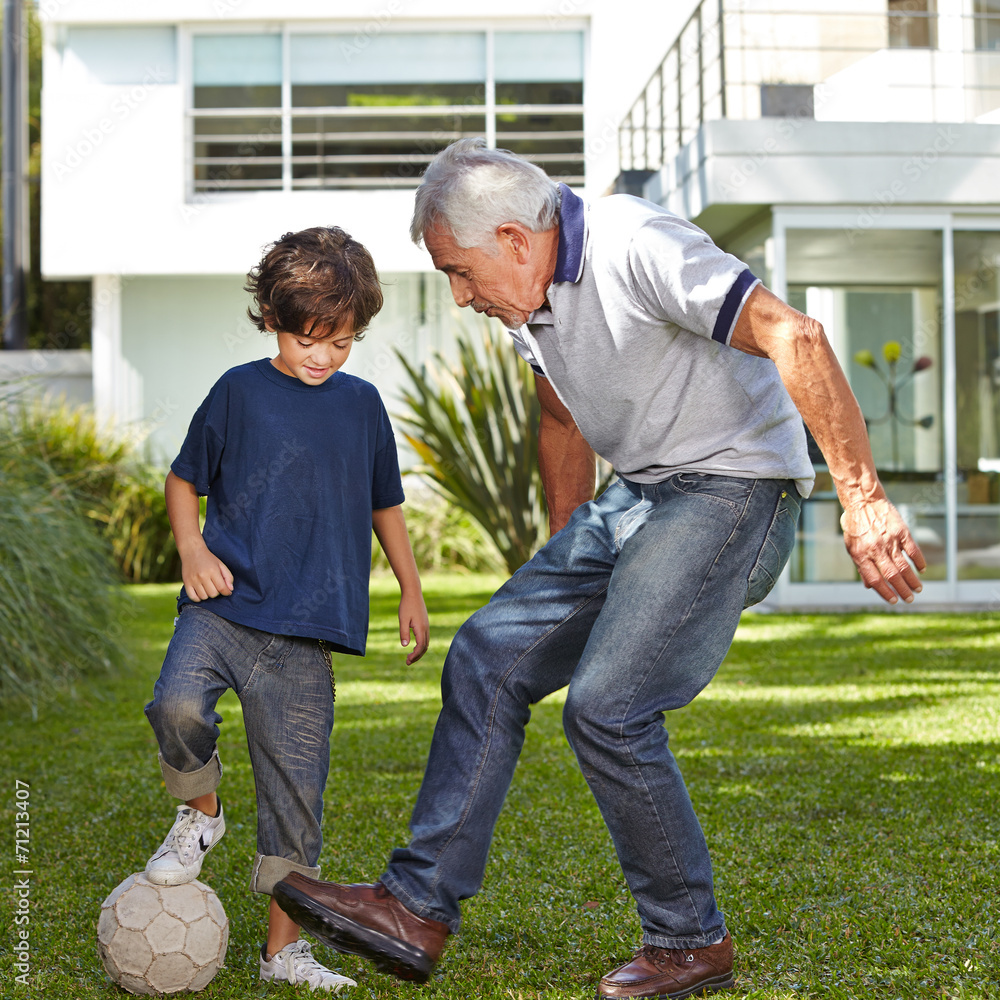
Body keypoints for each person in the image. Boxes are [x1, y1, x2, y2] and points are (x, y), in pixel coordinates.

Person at [272, 140, 925, 999]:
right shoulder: (528, 308)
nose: (461, 297)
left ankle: (690, 940)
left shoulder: (634, 243)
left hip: (736, 490)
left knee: (611, 708)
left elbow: (790, 333)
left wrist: (863, 495)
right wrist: (563, 546)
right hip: (641, 496)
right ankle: (415, 907)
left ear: (513, 237)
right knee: (485, 657)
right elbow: (560, 420)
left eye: (459, 273)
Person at [142, 226, 429, 993]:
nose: (326, 356)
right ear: (273, 317)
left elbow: (386, 503)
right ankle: (201, 815)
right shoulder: (237, 391)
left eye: (344, 342)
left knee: (295, 799)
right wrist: (194, 551)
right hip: (223, 605)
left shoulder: (363, 406)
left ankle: (282, 954)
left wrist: (409, 588)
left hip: (307, 633)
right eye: (312, 338)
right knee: (174, 705)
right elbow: (182, 480)